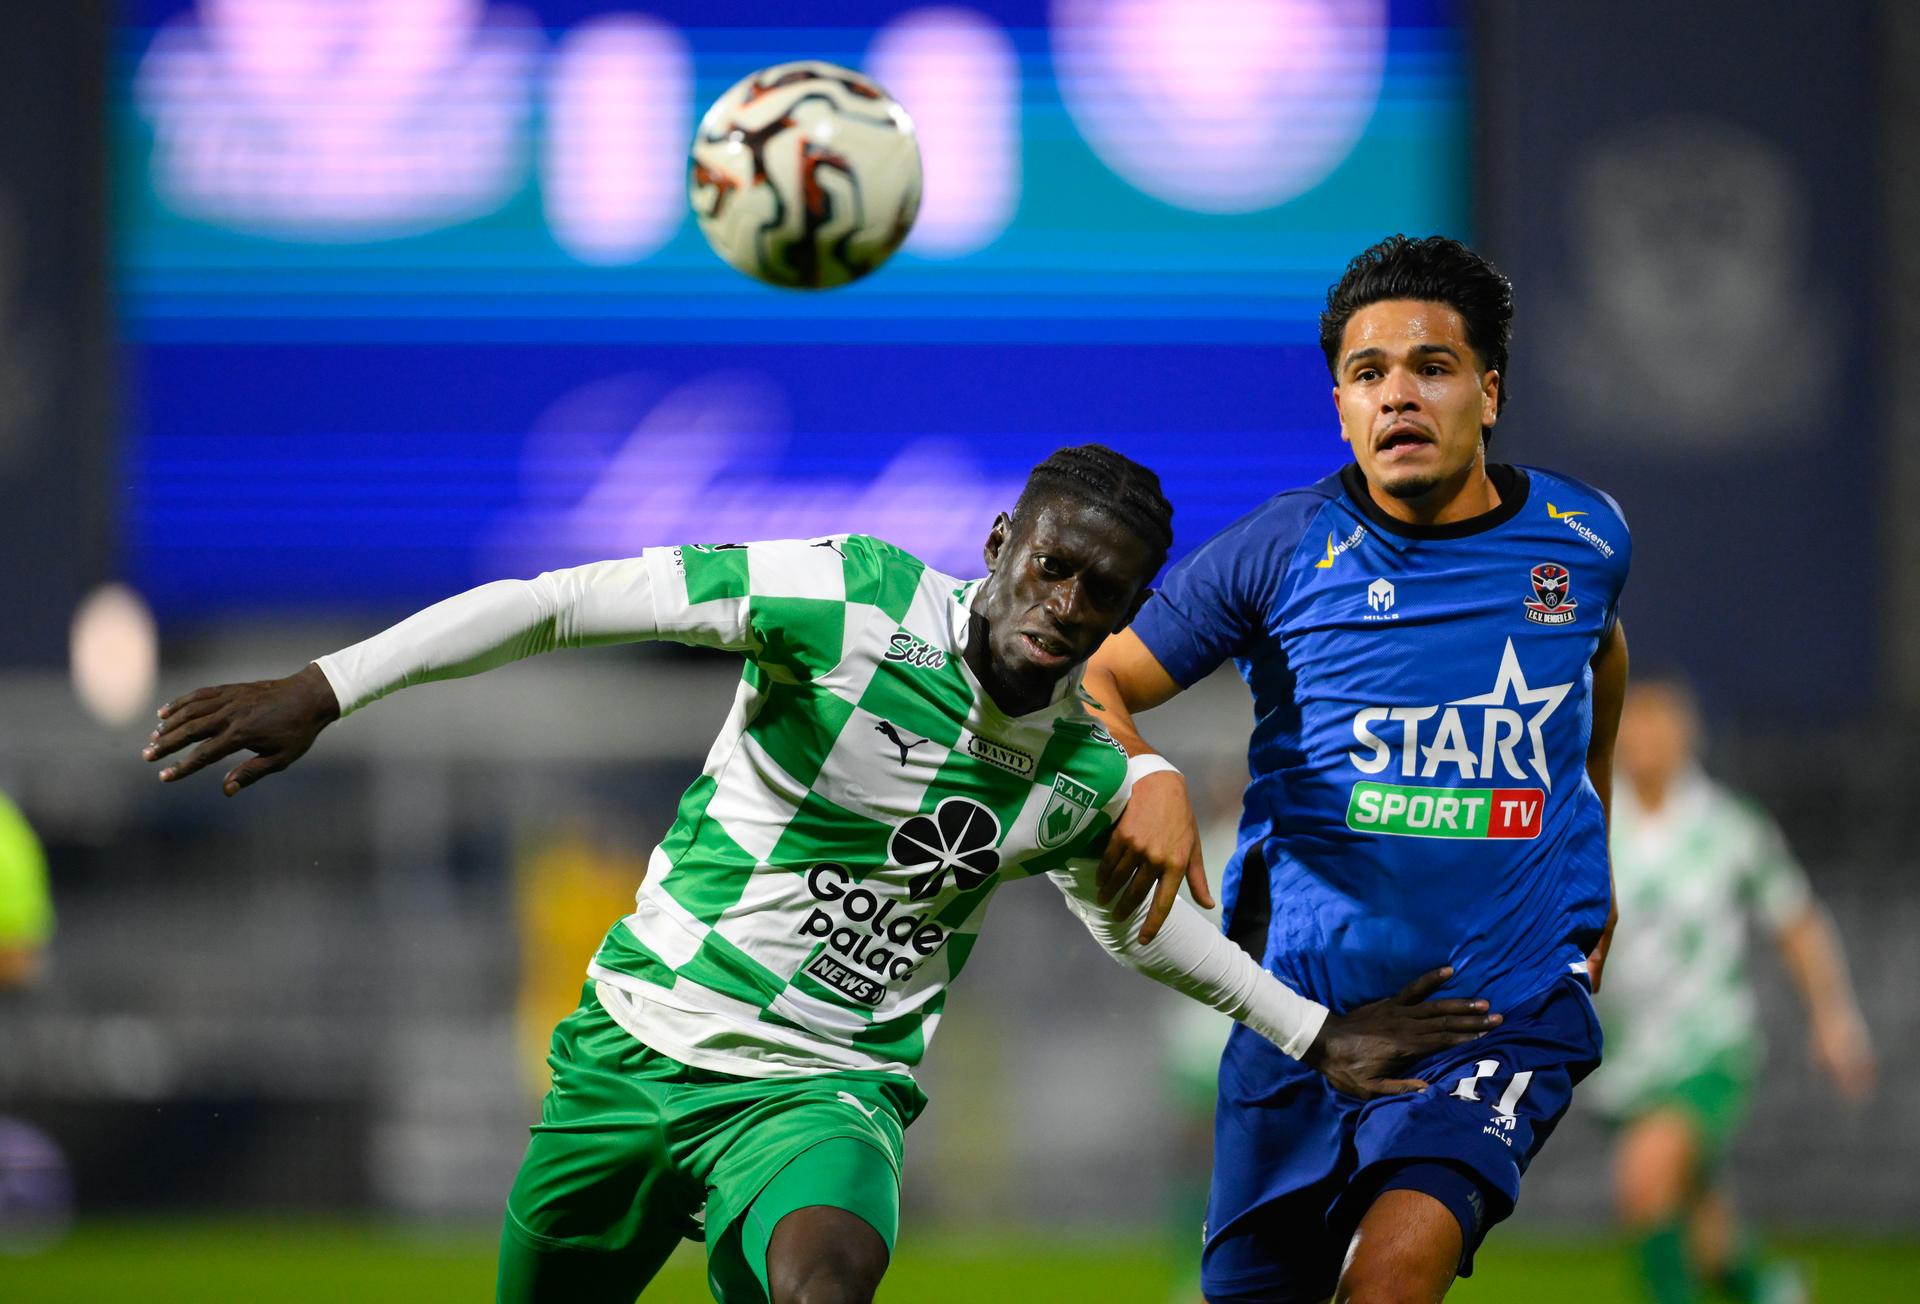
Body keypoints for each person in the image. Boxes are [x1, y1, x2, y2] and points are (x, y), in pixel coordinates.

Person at [142, 445, 1503, 1304]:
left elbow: (1139, 929)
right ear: (998, 545)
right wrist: (328, 684)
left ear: (1130, 611)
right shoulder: (843, 602)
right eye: (1051, 566)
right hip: (635, 1053)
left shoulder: (1081, 773)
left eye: (1103, 596)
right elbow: (562, 601)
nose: (1064, 606)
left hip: (822, 1090)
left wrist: (1308, 1031)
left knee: (829, 1278)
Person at [1082, 235, 1633, 1303]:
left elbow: (1598, 648)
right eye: (1368, 375)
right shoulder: (1282, 551)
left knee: (1392, 1275)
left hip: (1495, 1010)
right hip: (1302, 1015)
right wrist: (1147, 773)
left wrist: (1593, 821)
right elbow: (1100, 680)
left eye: (1431, 366)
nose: (1399, 397)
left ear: (1490, 388)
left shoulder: (1584, 538)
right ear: (1340, 406)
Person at [1588, 673, 1873, 1304]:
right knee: (1702, 1234)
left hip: (1708, 1047)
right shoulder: (1594, 824)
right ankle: (1768, 1291)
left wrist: (1835, 1017)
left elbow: (1796, 920)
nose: (1648, 740)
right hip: (1624, 1055)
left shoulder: (1728, 828)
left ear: (1690, 735)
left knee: (1645, 1178)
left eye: (1663, 725)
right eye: (1637, 724)